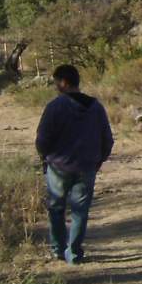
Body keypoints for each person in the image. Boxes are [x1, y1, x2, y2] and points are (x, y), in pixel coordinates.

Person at [35, 64, 114, 265]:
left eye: (56, 82)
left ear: (63, 83)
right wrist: (99, 159)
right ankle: (75, 252)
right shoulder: (95, 107)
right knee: (80, 211)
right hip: (86, 166)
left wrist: (45, 156)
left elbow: (42, 139)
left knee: (56, 208)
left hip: (58, 166)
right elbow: (107, 138)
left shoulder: (55, 107)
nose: (55, 87)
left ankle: (58, 249)